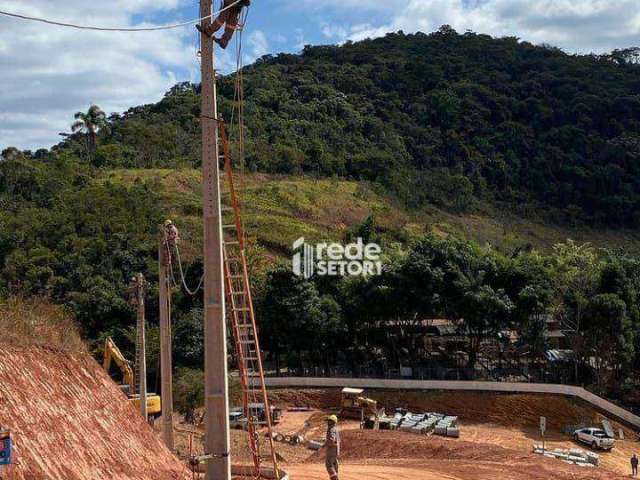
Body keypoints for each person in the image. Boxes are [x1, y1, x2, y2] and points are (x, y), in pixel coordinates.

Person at [325, 415, 340, 480]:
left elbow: (331, 440)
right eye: (328, 421)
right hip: (336, 450)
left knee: (329, 464)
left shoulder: (331, 429)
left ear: (333, 422)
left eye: (330, 421)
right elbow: (338, 440)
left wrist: (330, 443)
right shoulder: (335, 429)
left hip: (332, 449)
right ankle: (336, 476)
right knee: (334, 463)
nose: (328, 422)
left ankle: (335, 479)